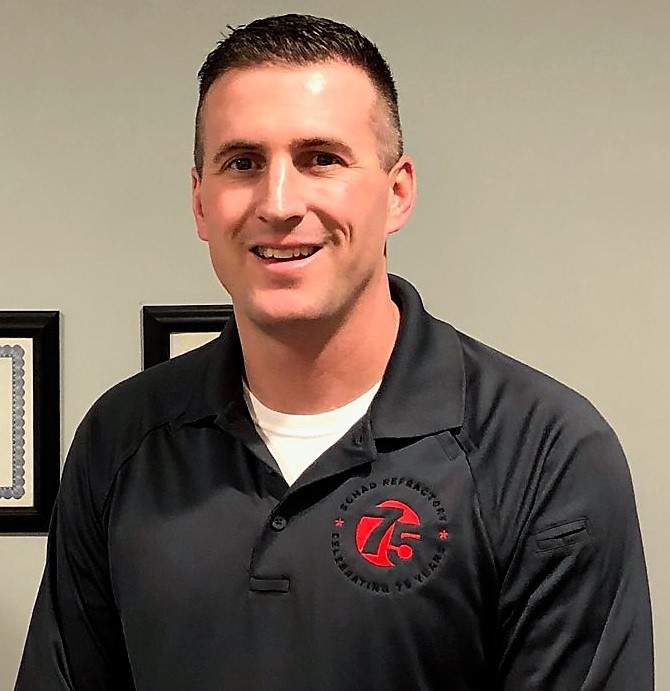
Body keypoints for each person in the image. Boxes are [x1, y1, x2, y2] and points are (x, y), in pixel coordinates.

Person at [15, 13, 653, 691]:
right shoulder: (121, 439)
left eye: (321, 158)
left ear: (398, 192)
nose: (278, 203)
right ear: (200, 203)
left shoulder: (545, 452)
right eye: (242, 163)